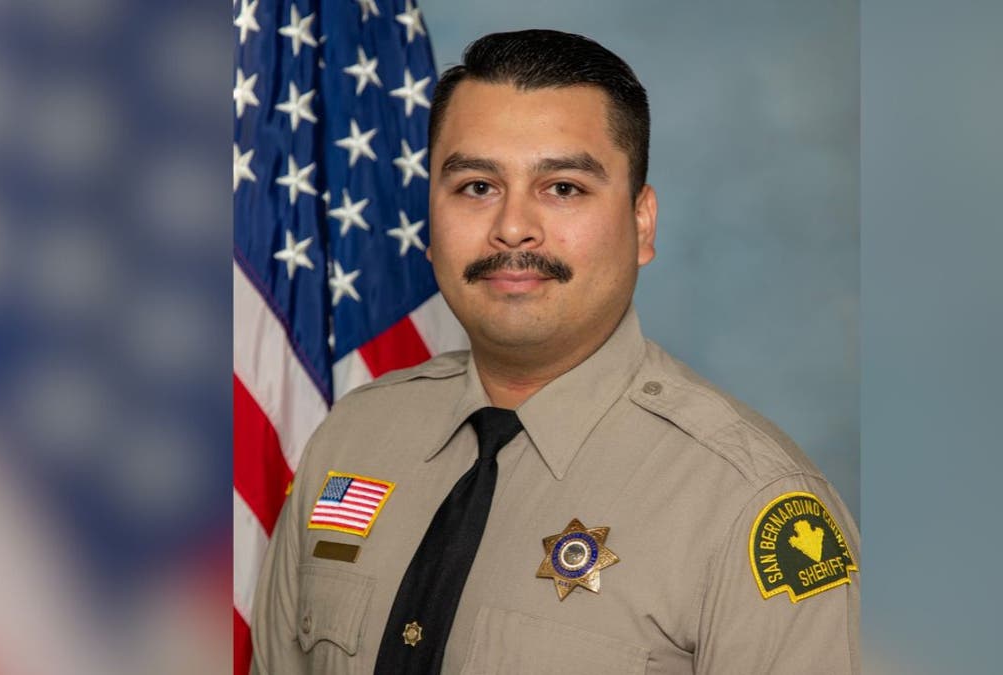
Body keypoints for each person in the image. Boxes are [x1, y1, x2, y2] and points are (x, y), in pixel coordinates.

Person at [252, 29, 859, 675]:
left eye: (563, 187)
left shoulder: (748, 503)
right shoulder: (353, 437)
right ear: (430, 220)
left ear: (642, 223)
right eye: (477, 186)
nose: (513, 226)